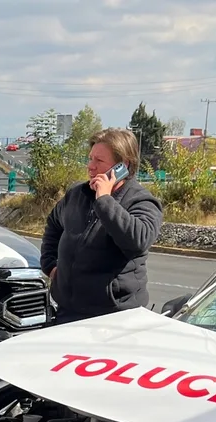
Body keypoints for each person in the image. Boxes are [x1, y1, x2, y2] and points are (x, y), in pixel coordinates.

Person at [40, 127, 163, 324]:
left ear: (122, 166)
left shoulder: (141, 201)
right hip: (68, 311)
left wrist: (105, 199)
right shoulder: (77, 194)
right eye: (90, 158)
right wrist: (50, 265)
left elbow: (138, 240)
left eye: (99, 161)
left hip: (115, 316)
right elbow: (53, 224)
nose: (90, 166)